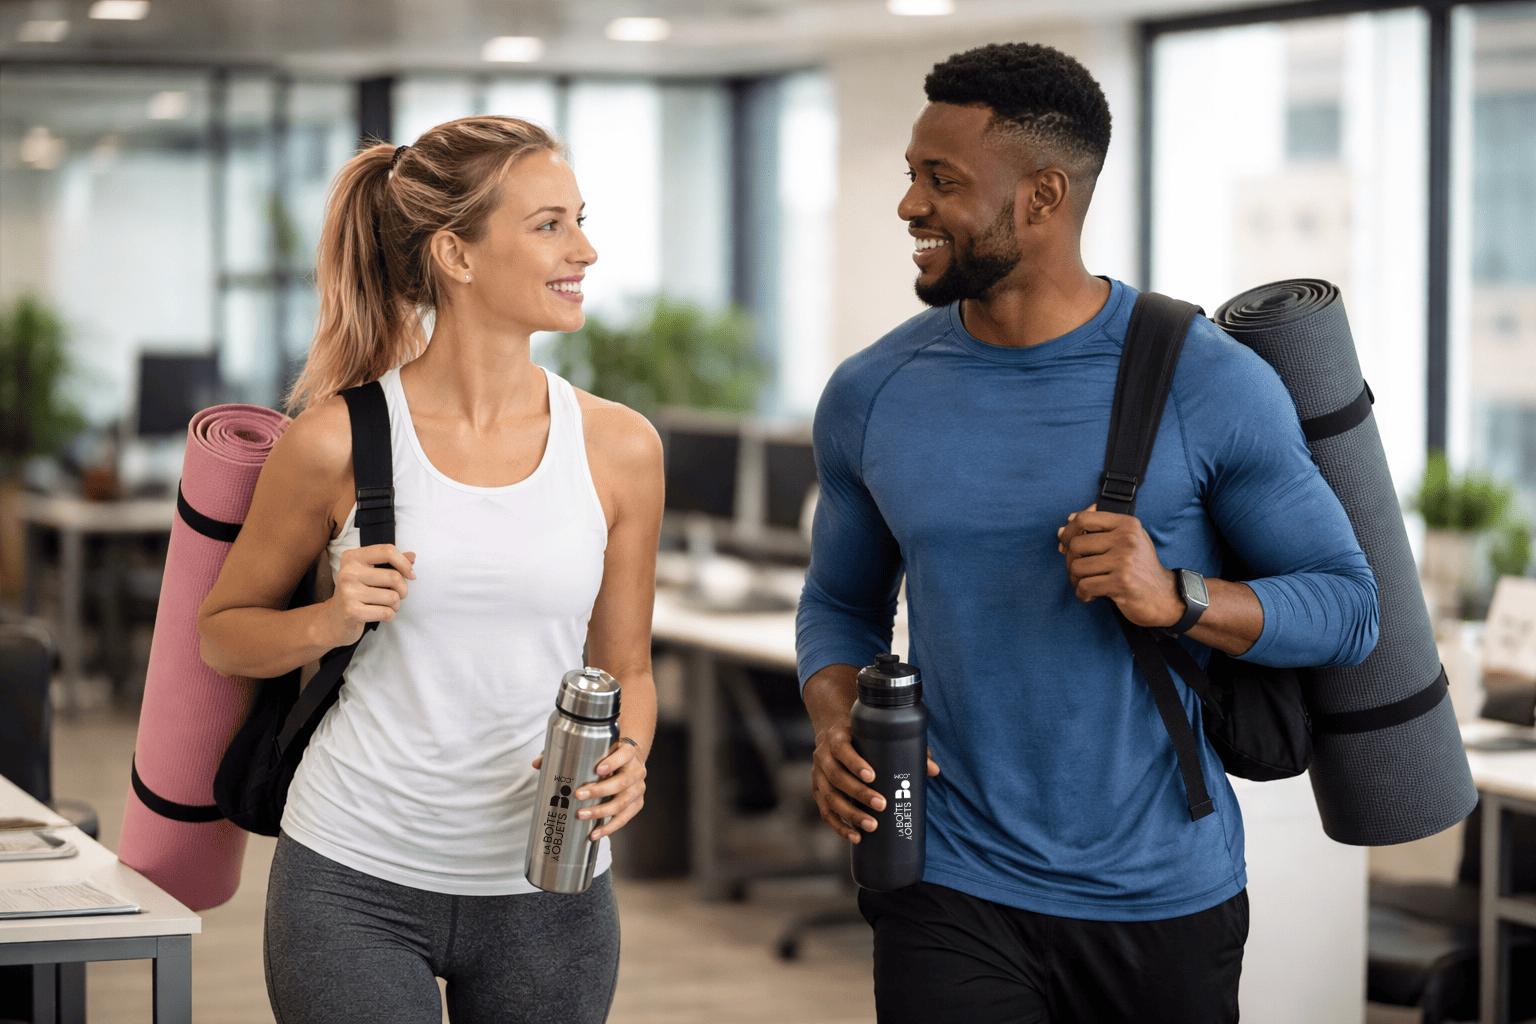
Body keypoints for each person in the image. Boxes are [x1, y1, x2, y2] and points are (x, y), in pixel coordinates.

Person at [796, 43, 1379, 1024]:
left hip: (1160, 895)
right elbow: (839, 603)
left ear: (1042, 196)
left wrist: (1178, 596)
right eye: (911, 175)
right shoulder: (873, 391)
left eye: (942, 181)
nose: (909, 206)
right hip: (949, 882)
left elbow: (1347, 604)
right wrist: (833, 717)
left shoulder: (1207, 380)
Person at [197, 116, 663, 1024]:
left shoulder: (619, 447)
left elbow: (627, 671)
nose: (586, 249)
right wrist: (329, 618)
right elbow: (224, 634)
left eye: (580, 219)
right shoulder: (335, 439)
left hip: (550, 882)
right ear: (456, 253)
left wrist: (631, 755)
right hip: (354, 875)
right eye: (550, 225)